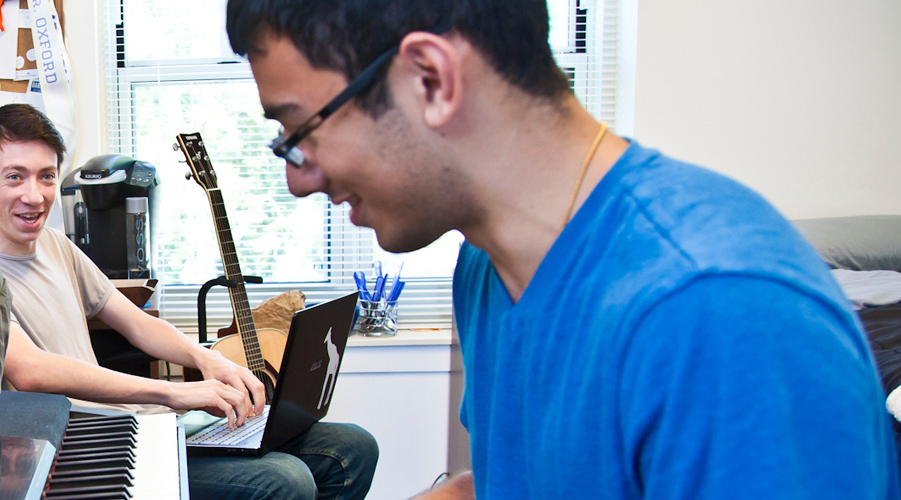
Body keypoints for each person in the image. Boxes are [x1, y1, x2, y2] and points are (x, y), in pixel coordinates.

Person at [224, 1, 900, 499]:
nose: (297, 177)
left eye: (298, 131)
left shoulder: (721, 312)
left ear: (430, 79)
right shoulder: (488, 264)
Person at [0, 103, 379, 500]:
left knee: (352, 449)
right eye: (15, 177)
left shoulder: (55, 244)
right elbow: (30, 371)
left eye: (46, 177)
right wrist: (174, 393)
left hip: (143, 422)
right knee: (286, 481)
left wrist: (208, 361)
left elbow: (137, 322)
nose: (35, 196)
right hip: (88, 446)